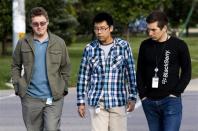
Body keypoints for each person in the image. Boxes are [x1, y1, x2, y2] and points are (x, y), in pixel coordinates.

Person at [11, 7, 71, 131]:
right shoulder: (23, 43)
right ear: (31, 25)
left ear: (47, 22)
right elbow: (15, 66)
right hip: (30, 98)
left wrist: (63, 88)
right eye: (35, 24)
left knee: (51, 128)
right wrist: (17, 86)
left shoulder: (59, 42)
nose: (39, 26)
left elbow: (65, 67)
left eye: (42, 23)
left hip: (53, 98)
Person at [76, 12, 137, 131]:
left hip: (118, 101)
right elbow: (83, 76)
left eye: (103, 28)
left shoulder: (123, 46)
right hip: (97, 102)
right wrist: (81, 102)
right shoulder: (90, 49)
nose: (99, 32)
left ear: (111, 28)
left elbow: (130, 73)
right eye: (96, 29)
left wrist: (133, 96)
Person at [136, 10, 191, 131]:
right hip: (149, 102)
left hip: (170, 101)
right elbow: (139, 71)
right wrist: (143, 95)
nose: (150, 33)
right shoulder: (145, 45)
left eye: (153, 30)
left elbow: (187, 72)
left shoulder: (179, 45)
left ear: (164, 28)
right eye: (148, 30)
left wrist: (176, 93)